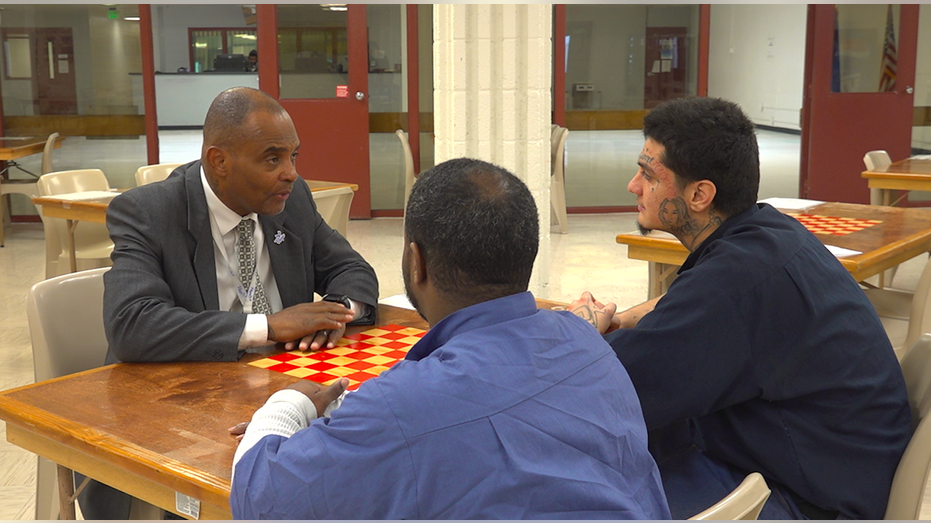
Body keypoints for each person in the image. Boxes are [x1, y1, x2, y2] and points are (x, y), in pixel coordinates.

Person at [229, 158, 670, 519]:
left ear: (414, 262)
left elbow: (258, 498)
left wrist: (289, 405)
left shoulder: (399, 408)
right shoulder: (587, 343)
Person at [569, 97, 910, 520]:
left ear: (699, 194)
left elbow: (611, 385)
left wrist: (576, 329)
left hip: (811, 500)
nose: (633, 186)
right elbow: (691, 303)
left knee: (586, 476)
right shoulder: (767, 234)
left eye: (648, 174)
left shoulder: (733, 283)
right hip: (834, 460)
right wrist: (624, 317)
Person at [86, 87, 378, 519]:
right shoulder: (149, 212)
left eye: (294, 156)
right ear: (218, 161)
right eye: (272, 158)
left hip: (279, 391)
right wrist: (270, 326)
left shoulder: (290, 201)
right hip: (181, 414)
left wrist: (334, 311)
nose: (291, 173)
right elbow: (133, 325)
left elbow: (354, 271)